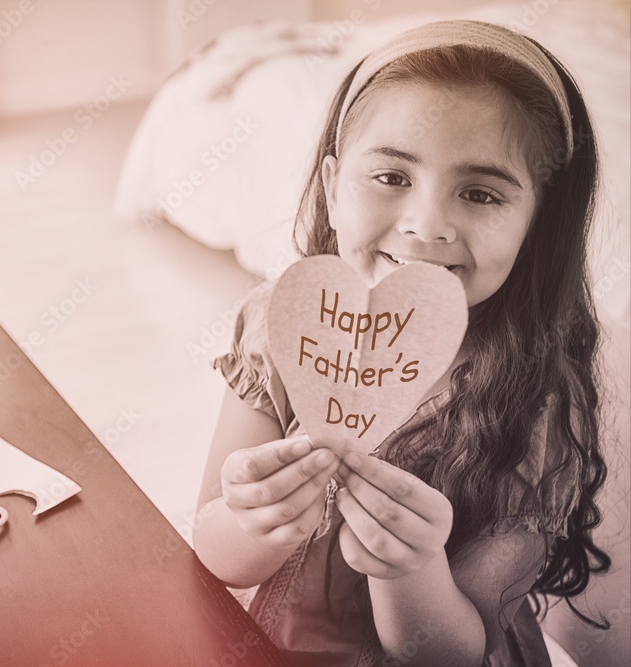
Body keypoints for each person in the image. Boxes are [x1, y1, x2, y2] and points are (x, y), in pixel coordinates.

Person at [193, 20, 611, 667]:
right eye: (391, 176)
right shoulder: (284, 319)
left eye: (479, 192)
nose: (425, 224)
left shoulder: (539, 398)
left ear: (538, 222)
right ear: (334, 187)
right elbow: (213, 549)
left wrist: (409, 569)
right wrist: (250, 521)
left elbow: (454, 650)